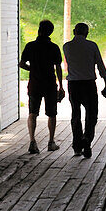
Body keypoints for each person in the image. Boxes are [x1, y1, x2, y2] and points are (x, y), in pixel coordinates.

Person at [62, 22, 106, 158]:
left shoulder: (67, 47)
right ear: (87, 33)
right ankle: (87, 140)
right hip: (89, 84)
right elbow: (101, 66)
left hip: (73, 84)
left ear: (73, 31)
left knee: (76, 114)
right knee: (91, 114)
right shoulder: (92, 46)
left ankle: (77, 146)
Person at [19, 19, 64, 154]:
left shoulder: (30, 46)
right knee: (52, 114)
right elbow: (58, 68)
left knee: (32, 113)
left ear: (39, 30)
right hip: (49, 84)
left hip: (35, 84)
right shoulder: (54, 47)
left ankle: (33, 142)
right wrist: (61, 86)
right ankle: (51, 142)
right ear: (50, 32)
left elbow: (21, 64)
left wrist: (32, 69)